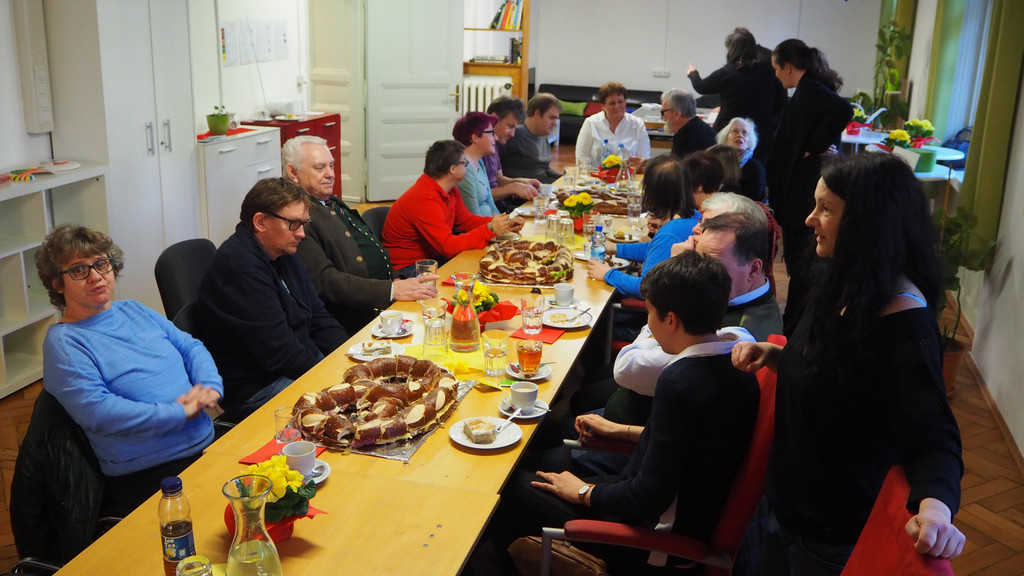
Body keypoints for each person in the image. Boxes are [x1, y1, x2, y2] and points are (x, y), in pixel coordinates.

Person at [732, 154, 965, 574]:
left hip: (827, 538)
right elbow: (841, 381)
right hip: (787, 512)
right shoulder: (845, 282)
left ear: (868, 223)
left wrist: (935, 510)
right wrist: (777, 356)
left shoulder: (903, 322)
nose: (809, 219)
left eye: (826, 209)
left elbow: (934, 438)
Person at [496, 251, 760, 574]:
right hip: (680, 512)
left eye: (649, 313)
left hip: (656, 542)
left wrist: (583, 492)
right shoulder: (738, 362)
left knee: (507, 489)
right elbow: (691, 448)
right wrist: (620, 431)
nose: (648, 323)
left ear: (671, 320)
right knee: (535, 473)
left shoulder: (680, 382)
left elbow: (647, 497)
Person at [37, 224, 223, 515]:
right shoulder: (64, 343)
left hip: (206, 442)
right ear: (57, 283)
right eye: (79, 270)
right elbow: (99, 412)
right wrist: (177, 412)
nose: (96, 276)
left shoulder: (133, 309)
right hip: (152, 473)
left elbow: (190, 347)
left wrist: (210, 384)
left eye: (101, 264)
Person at [198, 178, 348, 420]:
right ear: (260, 222)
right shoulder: (240, 267)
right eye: (293, 224)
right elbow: (280, 354)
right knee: (350, 413)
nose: (301, 233)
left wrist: (347, 358)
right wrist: (331, 378)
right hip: (259, 387)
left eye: (304, 223)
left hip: (293, 366)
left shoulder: (282, 249)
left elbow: (319, 316)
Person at [287, 136, 438, 334]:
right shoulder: (298, 217)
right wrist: (391, 290)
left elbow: (370, 250)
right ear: (293, 173)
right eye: (319, 168)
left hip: (385, 300)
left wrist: (398, 282)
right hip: (357, 319)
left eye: (331, 166)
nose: (330, 174)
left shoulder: (331, 202)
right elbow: (325, 282)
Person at [766, 38, 853, 335]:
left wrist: (815, 146)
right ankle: (795, 325)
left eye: (777, 68)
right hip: (797, 194)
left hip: (802, 195)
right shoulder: (806, 89)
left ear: (788, 67)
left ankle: (797, 329)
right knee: (800, 267)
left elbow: (843, 110)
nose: (776, 75)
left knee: (804, 267)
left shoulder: (812, 90)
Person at [383, 140, 524, 273]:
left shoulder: (450, 190)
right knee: (479, 272)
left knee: (488, 264)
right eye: (464, 163)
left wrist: (504, 223)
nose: (467, 166)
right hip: (410, 267)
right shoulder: (425, 198)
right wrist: (490, 229)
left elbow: (466, 221)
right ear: (453, 169)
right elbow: (448, 246)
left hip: (432, 258)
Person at [587, 155, 699, 299]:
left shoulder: (669, 234)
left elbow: (646, 288)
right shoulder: (693, 215)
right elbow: (654, 249)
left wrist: (607, 274)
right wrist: (616, 248)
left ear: (654, 194)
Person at [687, 27, 787, 161]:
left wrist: (693, 74)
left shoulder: (728, 72)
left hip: (731, 131)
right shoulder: (769, 71)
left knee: (727, 166)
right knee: (757, 167)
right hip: (762, 132)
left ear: (732, 49)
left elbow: (701, 86)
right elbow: (781, 102)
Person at [575, 82, 651, 167]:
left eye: (620, 102)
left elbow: (644, 160)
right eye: (612, 103)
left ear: (625, 102)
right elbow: (581, 158)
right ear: (603, 106)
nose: (617, 106)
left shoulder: (637, 124)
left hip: (628, 174)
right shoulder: (591, 123)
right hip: (596, 174)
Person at [484, 96, 540, 211]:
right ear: (493, 118)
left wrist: (522, 182)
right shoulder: (478, 149)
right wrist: (513, 188)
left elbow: (499, 179)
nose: (512, 134)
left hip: (500, 207)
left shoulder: (495, 144)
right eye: (510, 126)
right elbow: (479, 197)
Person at [498, 92, 562, 183]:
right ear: (537, 114)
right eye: (552, 118)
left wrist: (565, 178)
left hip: (543, 186)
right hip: (525, 188)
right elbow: (494, 168)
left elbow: (545, 169)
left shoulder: (542, 134)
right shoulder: (515, 134)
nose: (555, 123)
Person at [453, 111, 503, 216]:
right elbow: (472, 218)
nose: (496, 138)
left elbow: (491, 204)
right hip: (479, 225)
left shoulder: (479, 162)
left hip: (490, 224)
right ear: (475, 138)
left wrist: (506, 223)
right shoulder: (464, 168)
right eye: (491, 133)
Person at [716, 117, 767, 201]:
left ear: (749, 141)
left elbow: (752, 201)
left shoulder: (756, 169)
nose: (740, 135)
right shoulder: (714, 162)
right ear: (725, 137)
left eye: (745, 133)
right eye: (735, 131)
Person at [660, 89, 717, 160]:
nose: (662, 117)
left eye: (663, 112)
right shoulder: (698, 126)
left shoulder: (686, 137)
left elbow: (677, 166)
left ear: (677, 114)